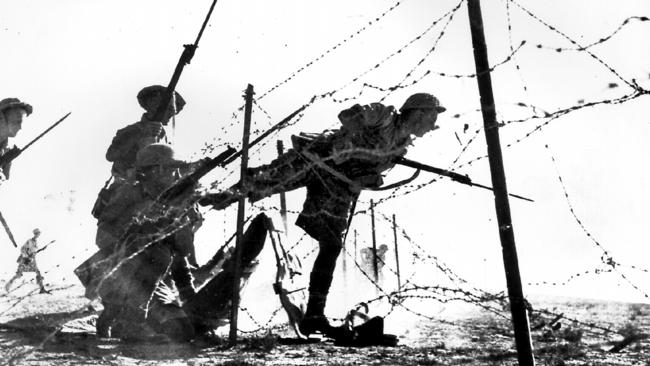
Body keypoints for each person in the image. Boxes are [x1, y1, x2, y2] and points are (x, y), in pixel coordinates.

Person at [202, 92, 446, 338]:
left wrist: (370, 176)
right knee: (264, 182)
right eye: (431, 119)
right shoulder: (383, 116)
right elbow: (348, 115)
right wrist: (355, 135)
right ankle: (211, 197)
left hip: (338, 185)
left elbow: (368, 170)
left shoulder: (401, 145)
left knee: (331, 246)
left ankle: (315, 315)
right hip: (318, 160)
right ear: (419, 112)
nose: (432, 126)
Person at [79, 143, 269, 341]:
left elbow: (179, 255)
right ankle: (124, 319)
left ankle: (124, 318)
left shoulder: (180, 201)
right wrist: (138, 237)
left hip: (158, 282)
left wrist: (188, 295)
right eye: (172, 169)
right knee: (153, 268)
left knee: (183, 330)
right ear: (157, 170)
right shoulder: (130, 194)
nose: (177, 174)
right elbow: (102, 235)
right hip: (120, 276)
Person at [105, 85, 186, 181]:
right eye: (169, 110)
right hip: (127, 186)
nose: (171, 115)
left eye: (173, 112)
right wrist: (140, 134)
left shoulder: (164, 137)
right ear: (153, 105)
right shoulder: (132, 130)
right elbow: (111, 156)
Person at [5, 228, 49, 294]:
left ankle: (42, 289)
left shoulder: (35, 242)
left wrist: (42, 249)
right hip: (25, 260)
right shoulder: (29, 241)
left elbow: (34, 251)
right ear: (35, 234)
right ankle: (7, 286)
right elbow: (22, 249)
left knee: (38, 272)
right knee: (19, 274)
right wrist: (26, 257)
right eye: (37, 234)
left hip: (32, 260)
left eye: (39, 234)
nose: (38, 235)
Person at [0, 98, 32, 180]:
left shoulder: (3, 145)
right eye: (18, 121)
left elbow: (4, 179)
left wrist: (5, 166)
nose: (20, 127)